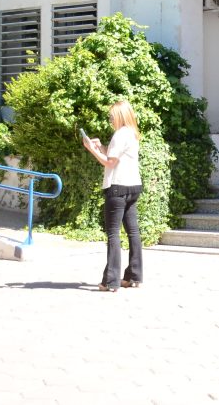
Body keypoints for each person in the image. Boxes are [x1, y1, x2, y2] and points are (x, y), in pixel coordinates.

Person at [82, 100, 143, 292]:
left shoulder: (120, 134)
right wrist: (101, 147)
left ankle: (111, 281)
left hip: (117, 188)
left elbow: (110, 164)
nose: (110, 120)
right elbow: (115, 156)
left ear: (119, 116)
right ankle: (134, 276)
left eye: (111, 116)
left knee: (113, 233)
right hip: (133, 186)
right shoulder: (132, 133)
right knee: (133, 232)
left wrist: (91, 149)